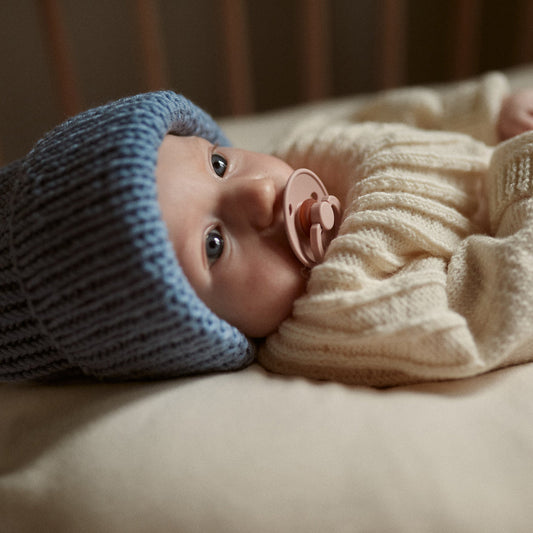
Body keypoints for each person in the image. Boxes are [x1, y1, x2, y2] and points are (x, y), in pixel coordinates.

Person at [1, 72, 532, 385]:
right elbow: (498, 306)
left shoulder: (305, 145)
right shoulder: (342, 314)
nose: (257, 192)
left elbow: (399, 116)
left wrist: (490, 115)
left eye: (217, 165)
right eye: (214, 244)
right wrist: (520, 179)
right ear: (207, 336)